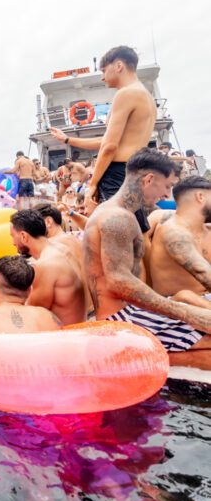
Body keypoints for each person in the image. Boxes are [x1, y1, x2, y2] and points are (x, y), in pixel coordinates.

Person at [84, 148, 211, 367]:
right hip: (123, 318)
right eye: (168, 186)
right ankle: (135, 358)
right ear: (149, 179)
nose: (166, 195)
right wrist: (186, 313)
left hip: (132, 311)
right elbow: (119, 282)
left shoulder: (116, 212)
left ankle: (143, 357)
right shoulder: (118, 218)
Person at [50, 46, 157, 225]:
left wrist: (93, 184)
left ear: (119, 65)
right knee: (137, 229)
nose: (102, 76)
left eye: (104, 70)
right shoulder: (146, 97)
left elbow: (109, 147)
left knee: (117, 230)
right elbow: (106, 141)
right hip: (133, 171)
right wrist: (67, 139)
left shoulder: (125, 94)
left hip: (116, 173)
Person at [10, 210, 86, 325]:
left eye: (12, 236)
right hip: (80, 327)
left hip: (65, 337)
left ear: (24, 236)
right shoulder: (62, 249)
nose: (12, 243)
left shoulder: (45, 265)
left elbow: (32, 314)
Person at [148, 176, 211, 301]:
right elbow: (202, 273)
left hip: (203, 299)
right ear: (200, 196)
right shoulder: (173, 229)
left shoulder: (204, 228)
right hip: (182, 304)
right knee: (186, 297)